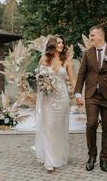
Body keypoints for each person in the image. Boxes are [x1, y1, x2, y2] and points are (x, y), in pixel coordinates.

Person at [74, 25, 107, 172]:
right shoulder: (87, 53)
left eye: (92, 35)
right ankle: (91, 156)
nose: (89, 38)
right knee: (91, 125)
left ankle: (104, 159)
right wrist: (78, 93)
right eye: (90, 36)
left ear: (101, 36)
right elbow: (81, 74)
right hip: (92, 95)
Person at [35, 35, 76, 172]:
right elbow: (39, 79)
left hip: (62, 98)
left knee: (59, 127)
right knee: (48, 127)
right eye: (58, 42)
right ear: (52, 44)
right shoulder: (44, 60)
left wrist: (78, 95)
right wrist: (44, 84)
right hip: (48, 98)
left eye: (62, 42)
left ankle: (59, 155)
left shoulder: (67, 61)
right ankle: (49, 161)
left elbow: (72, 80)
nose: (61, 44)